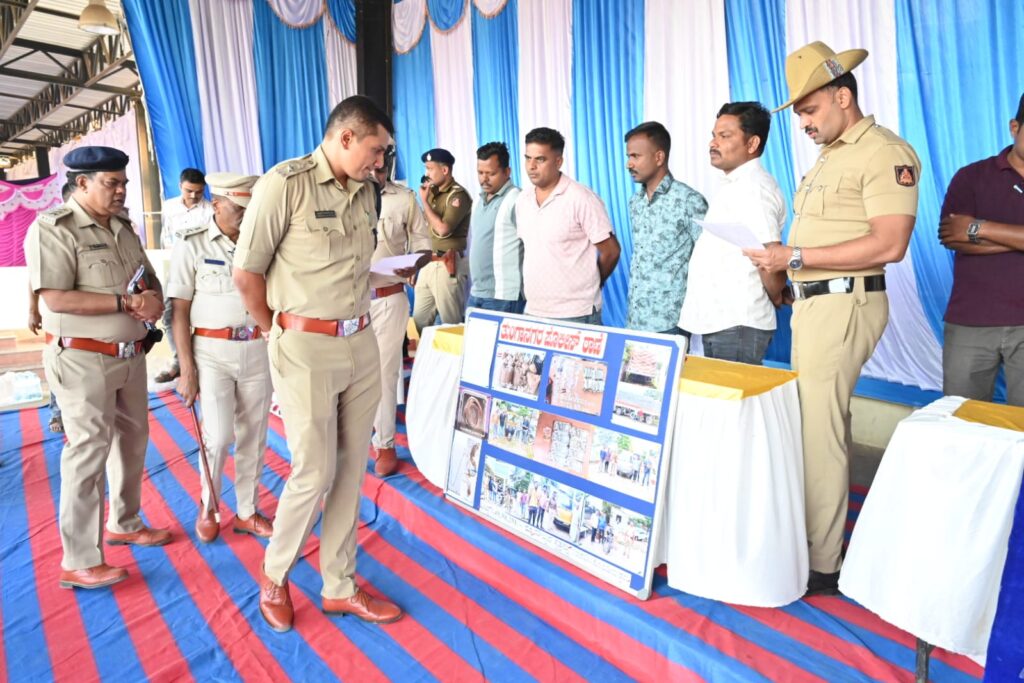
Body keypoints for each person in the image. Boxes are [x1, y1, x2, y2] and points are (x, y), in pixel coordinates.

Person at [744, 42, 920, 596]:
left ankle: (822, 561)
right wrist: (788, 268)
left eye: (810, 109)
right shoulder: (830, 155)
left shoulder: (882, 152)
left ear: (843, 97)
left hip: (846, 302)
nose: (803, 122)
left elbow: (889, 244)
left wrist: (794, 257)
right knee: (819, 424)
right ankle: (818, 540)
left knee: (819, 430)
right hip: (817, 302)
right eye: (799, 113)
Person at [233, 95, 403, 631]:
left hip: (360, 341)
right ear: (346, 137)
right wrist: (276, 331)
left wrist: (396, 274)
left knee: (351, 469)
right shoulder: (285, 184)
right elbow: (246, 274)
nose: (380, 161)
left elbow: (351, 271)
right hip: (304, 346)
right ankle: (275, 575)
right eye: (376, 149)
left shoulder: (366, 191)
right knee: (315, 469)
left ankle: (339, 585)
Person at [24, 145, 171, 590]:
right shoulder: (54, 228)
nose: (122, 190)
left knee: (132, 442)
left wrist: (152, 299)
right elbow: (56, 297)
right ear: (82, 183)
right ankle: (79, 559)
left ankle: (125, 522)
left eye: (124, 182)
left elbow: (147, 277)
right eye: (112, 183)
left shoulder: (123, 227)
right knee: (88, 451)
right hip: (82, 360)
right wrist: (127, 304)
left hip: (130, 357)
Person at [167, 172, 274, 544]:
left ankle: (247, 510)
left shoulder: (261, 243)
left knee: (254, 434)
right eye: (238, 208)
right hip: (211, 353)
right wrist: (186, 367)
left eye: (249, 208)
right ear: (216, 204)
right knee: (218, 434)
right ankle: (208, 504)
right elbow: (179, 311)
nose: (245, 215)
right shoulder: (191, 243)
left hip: (258, 349)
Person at [679, 103, 787, 363]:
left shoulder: (754, 189)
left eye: (724, 136)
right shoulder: (736, 185)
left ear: (752, 144)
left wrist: (776, 294)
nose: (713, 143)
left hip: (737, 323)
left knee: (733, 390)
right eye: (713, 135)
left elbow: (770, 256)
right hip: (723, 322)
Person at [937, 92, 1024, 406]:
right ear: (1014, 127)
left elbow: (965, 232)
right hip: (971, 321)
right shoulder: (971, 177)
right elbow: (951, 236)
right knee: (962, 419)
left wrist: (979, 227)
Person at [368, 147, 431, 477]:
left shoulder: (404, 199)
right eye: (371, 166)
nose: (374, 174)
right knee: (343, 373)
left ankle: (385, 443)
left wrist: (415, 263)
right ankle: (349, 439)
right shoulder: (336, 199)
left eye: (381, 168)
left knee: (384, 371)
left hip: (388, 298)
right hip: (345, 302)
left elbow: (423, 246)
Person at [516, 127, 621, 325]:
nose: (531, 166)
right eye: (528, 158)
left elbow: (611, 251)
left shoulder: (581, 198)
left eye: (540, 159)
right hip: (533, 311)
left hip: (576, 313)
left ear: (558, 162)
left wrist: (592, 283)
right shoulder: (523, 200)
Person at [623, 121, 707, 334]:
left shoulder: (689, 201)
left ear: (659, 157)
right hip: (635, 318)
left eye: (635, 156)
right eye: (628, 156)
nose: (628, 164)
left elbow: (708, 260)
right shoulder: (635, 202)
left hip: (670, 321)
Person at [157, 168, 214, 384]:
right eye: (189, 191)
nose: (193, 196)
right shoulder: (169, 207)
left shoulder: (210, 211)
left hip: (203, 270)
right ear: (180, 186)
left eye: (198, 192)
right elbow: (166, 236)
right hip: (175, 268)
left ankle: (201, 363)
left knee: (201, 315)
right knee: (169, 314)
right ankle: (178, 361)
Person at [28, 182, 74, 433]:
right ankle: (56, 413)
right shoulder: (50, 229)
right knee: (59, 363)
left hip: (88, 320)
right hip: (59, 316)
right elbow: (33, 276)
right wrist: (32, 310)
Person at [411, 148, 472, 333]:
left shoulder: (458, 195)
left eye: (430, 169)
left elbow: (443, 229)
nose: (426, 174)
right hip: (427, 263)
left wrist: (424, 202)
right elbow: (421, 231)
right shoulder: (431, 193)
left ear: (444, 170)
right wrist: (415, 263)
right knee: (419, 322)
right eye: (426, 168)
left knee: (451, 326)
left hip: (447, 264)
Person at [467, 142, 524, 313]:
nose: (484, 179)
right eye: (480, 173)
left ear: (507, 172)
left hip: (504, 297)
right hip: (476, 293)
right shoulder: (478, 200)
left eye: (491, 173)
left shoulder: (517, 200)